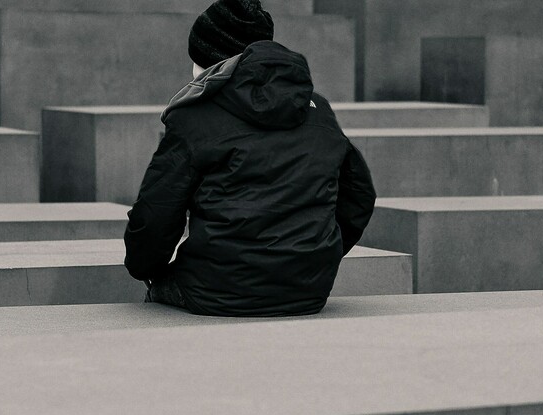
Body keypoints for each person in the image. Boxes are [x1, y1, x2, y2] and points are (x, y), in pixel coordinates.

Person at [124, 0, 377, 317]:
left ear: (212, 62)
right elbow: (360, 196)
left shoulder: (194, 116)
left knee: (153, 305)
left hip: (217, 291)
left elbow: (156, 212)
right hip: (308, 290)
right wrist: (317, 255)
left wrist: (144, 268)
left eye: (196, 58)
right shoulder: (317, 109)